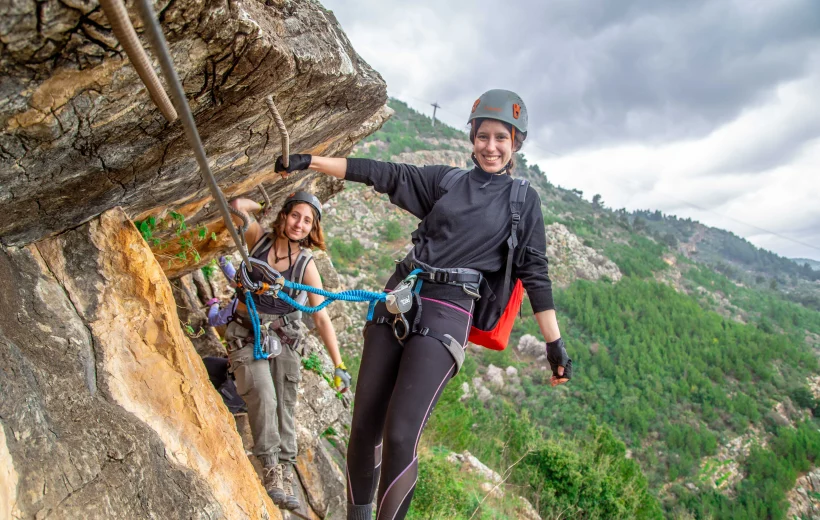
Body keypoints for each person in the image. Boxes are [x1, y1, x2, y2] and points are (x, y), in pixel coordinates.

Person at [275, 89, 572, 520]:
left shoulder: (523, 201)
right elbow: (383, 173)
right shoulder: (447, 182)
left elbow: (536, 274)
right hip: (401, 295)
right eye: (483, 136)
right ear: (472, 138)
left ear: (516, 144)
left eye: (501, 139)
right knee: (364, 428)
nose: (490, 147)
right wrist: (310, 161)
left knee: (399, 436)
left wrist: (554, 345)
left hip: (449, 310)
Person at [226, 191, 352, 511]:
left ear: (313, 229)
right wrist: (266, 208)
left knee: (285, 401)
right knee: (263, 393)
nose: (300, 224)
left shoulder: (305, 264)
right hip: (247, 331)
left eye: (307, 221)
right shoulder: (257, 240)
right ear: (284, 216)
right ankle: (269, 465)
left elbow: (321, 316)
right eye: (295, 215)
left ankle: (284, 467)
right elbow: (238, 206)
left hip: (284, 336)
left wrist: (339, 365)